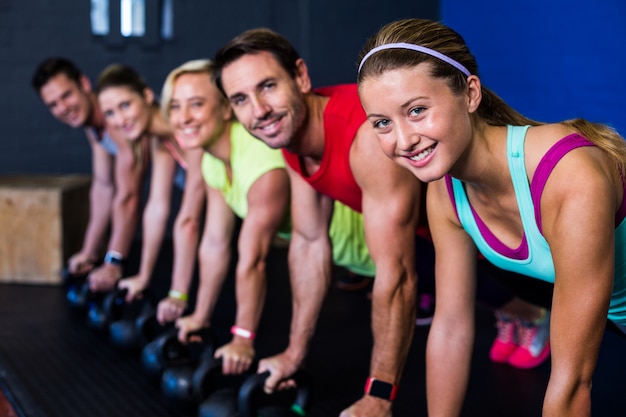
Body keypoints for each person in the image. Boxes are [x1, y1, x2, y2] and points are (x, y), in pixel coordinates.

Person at [356, 17, 626, 417]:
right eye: (382, 123)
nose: (403, 140)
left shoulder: (567, 175)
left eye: (416, 110)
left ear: (469, 93)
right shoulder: (445, 194)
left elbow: (570, 384)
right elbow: (450, 328)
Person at [158, 59, 376, 374]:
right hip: (346, 258)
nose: (183, 118)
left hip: (375, 251)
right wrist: (200, 316)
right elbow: (215, 243)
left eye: (196, 105)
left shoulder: (260, 160)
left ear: (224, 109)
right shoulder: (212, 162)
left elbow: (254, 258)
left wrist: (243, 338)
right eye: (175, 107)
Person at [95, 64, 207, 299]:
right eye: (110, 113)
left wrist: (178, 295)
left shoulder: (189, 129)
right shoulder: (161, 142)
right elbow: (157, 208)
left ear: (146, 96)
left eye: (125, 105)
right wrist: (143, 277)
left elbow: (189, 219)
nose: (120, 119)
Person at [31, 57, 144, 285]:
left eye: (66, 95)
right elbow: (103, 188)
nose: (63, 108)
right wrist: (89, 252)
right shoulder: (93, 128)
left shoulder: (116, 119)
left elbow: (128, 196)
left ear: (84, 83)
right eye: (53, 104)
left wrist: (113, 262)